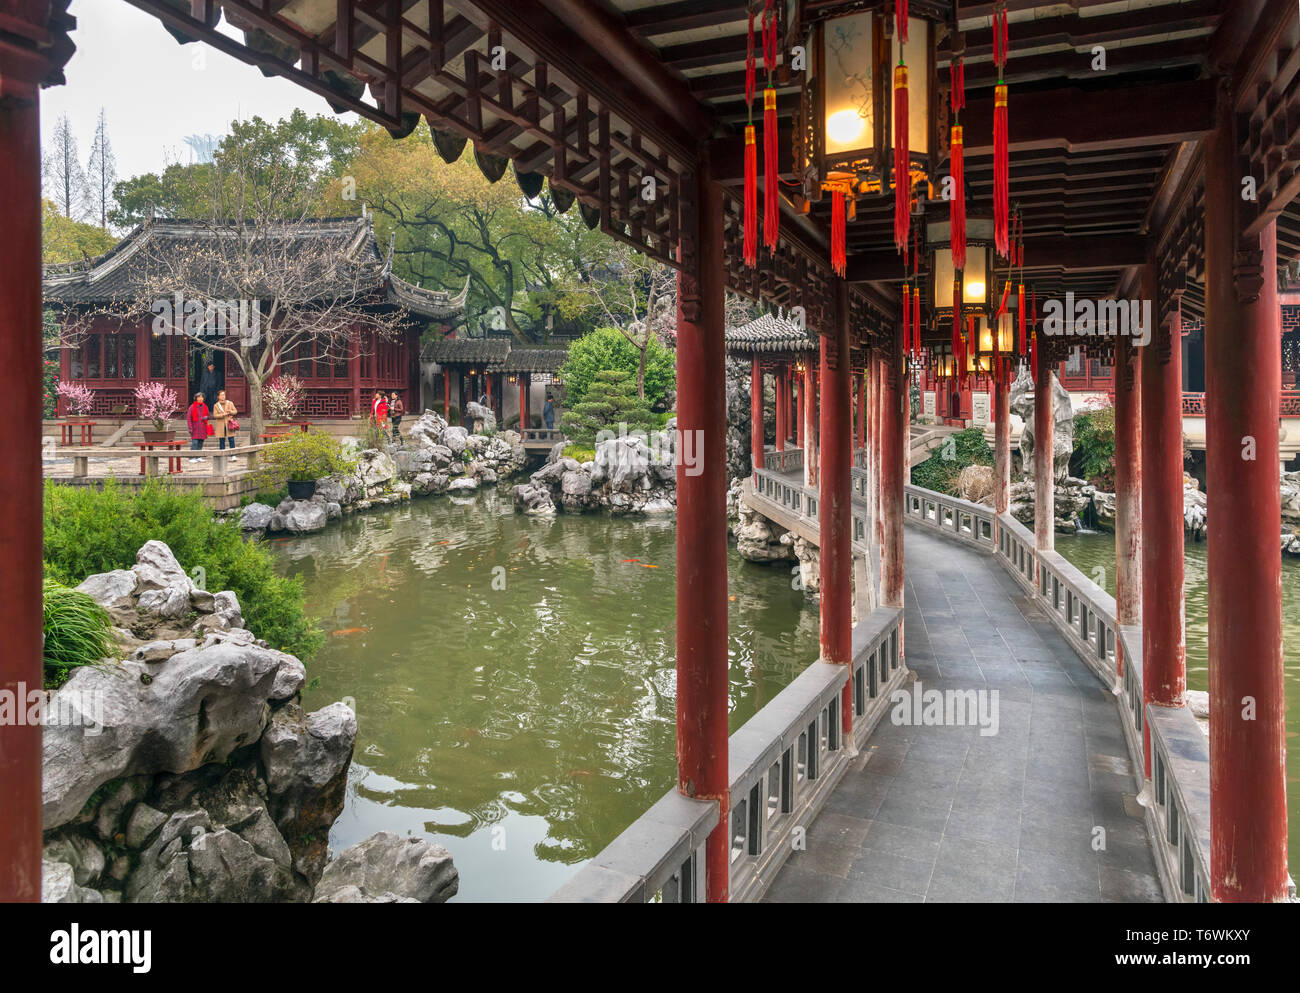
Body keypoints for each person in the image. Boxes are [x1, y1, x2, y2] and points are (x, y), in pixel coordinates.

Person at [186, 392, 209, 462]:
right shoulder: (192, 407)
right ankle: (191, 457)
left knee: (201, 442)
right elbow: (189, 418)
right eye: (199, 397)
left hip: (202, 427)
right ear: (196, 398)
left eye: (202, 397)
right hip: (195, 428)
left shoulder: (205, 406)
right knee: (194, 443)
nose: (200, 398)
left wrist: (206, 417)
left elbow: (208, 416)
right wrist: (190, 427)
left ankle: (198, 456)